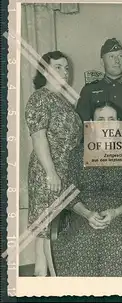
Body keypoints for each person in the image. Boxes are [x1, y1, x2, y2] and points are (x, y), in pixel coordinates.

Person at [51, 101, 122, 277]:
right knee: (85, 237)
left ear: (118, 123)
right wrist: (87, 214)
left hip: (120, 213)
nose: (106, 124)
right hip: (84, 212)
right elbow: (70, 194)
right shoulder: (77, 154)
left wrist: (115, 212)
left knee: (114, 238)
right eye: (100, 119)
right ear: (92, 124)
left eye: (111, 119)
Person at [25, 51, 82, 276]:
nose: (64, 72)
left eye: (66, 67)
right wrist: (51, 173)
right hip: (48, 173)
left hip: (63, 171)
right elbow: (38, 137)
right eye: (58, 67)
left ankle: (40, 279)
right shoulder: (40, 97)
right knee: (49, 230)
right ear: (45, 70)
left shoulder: (63, 100)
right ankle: (55, 284)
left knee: (46, 232)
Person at [76, 38, 122, 122]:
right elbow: (83, 127)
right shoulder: (89, 91)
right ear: (102, 61)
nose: (117, 61)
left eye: (120, 56)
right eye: (112, 56)